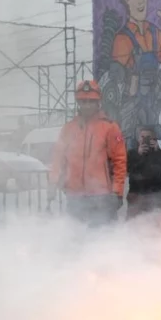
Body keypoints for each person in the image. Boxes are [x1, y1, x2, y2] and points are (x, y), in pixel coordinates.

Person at [49, 79, 127, 226]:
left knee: (102, 240)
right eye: (83, 101)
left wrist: (117, 192)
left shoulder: (110, 127)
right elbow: (58, 159)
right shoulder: (68, 129)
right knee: (76, 239)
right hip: (75, 197)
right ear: (78, 102)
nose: (87, 105)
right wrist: (53, 183)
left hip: (102, 196)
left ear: (98, 102)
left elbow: (119, 161)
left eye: (91, 101)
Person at [126, 126, 161, 218]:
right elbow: (128, 169)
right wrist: (139, 155)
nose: (145, 140)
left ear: (154, 139)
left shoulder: (159, 153)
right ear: (138, 138)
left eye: (148, 137)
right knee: (133, 222)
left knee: (156, 221)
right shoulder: (132, 153)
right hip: (136, 193)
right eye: (142, 137)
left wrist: (158, 151)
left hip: (156, 194)